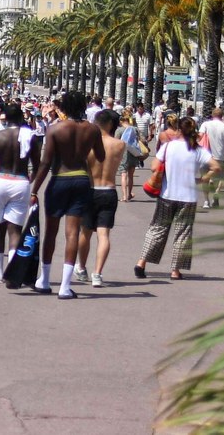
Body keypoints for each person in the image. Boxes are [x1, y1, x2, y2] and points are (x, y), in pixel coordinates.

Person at [29, 91, 105, 299]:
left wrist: (34, 189)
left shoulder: (55, 129)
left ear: (64, 108)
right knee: (72, 233)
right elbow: (100, 156)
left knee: (51, 232)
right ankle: (64, 286)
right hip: (81, 180)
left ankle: (44, 280)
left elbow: (45, 163)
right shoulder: (92, 129)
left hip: (59, 179)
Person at [136, 117, 219, 280]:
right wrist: (202, 179)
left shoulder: (168, 147)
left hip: (167, 194)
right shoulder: (197, 150)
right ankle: (175, 270)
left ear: (178, 130)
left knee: (157, 229)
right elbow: (215, 167)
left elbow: (154, 166)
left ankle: (141, 263)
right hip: (188, 197)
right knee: (183, 233)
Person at [0, 104, 39, 284]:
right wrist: (31, 180)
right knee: (15, 231)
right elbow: (38, 165)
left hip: (1, 181)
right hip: (21, 181)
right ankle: (13, 272)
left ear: (5, 118)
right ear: (21, 118)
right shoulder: (30, 137)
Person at [76, 109, 126, 287]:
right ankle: (97, 273)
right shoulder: (119, 144)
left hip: (91, 189)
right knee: (104, 234)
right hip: (109, 191)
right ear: (112, 124)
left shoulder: (88, 144)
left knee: (86, 232)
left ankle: (81, 268)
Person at [197, 108, 224, 208]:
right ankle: (216, 194)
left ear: (212, 115)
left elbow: (199, 137)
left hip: (205, 156)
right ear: (222, 116)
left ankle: (206, 201)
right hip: (219, 156)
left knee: (205, 179)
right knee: (220, 178)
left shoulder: (205, 124)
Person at [118, 111, 144, 202]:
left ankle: (124, 196)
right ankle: (129, 194)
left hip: (123, 155)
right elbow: (143, 139)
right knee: (131, 175)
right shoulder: (135, 129)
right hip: (133, 153)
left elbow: (115, 142)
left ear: (121, 120)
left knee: (123, 175)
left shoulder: (119, 130)